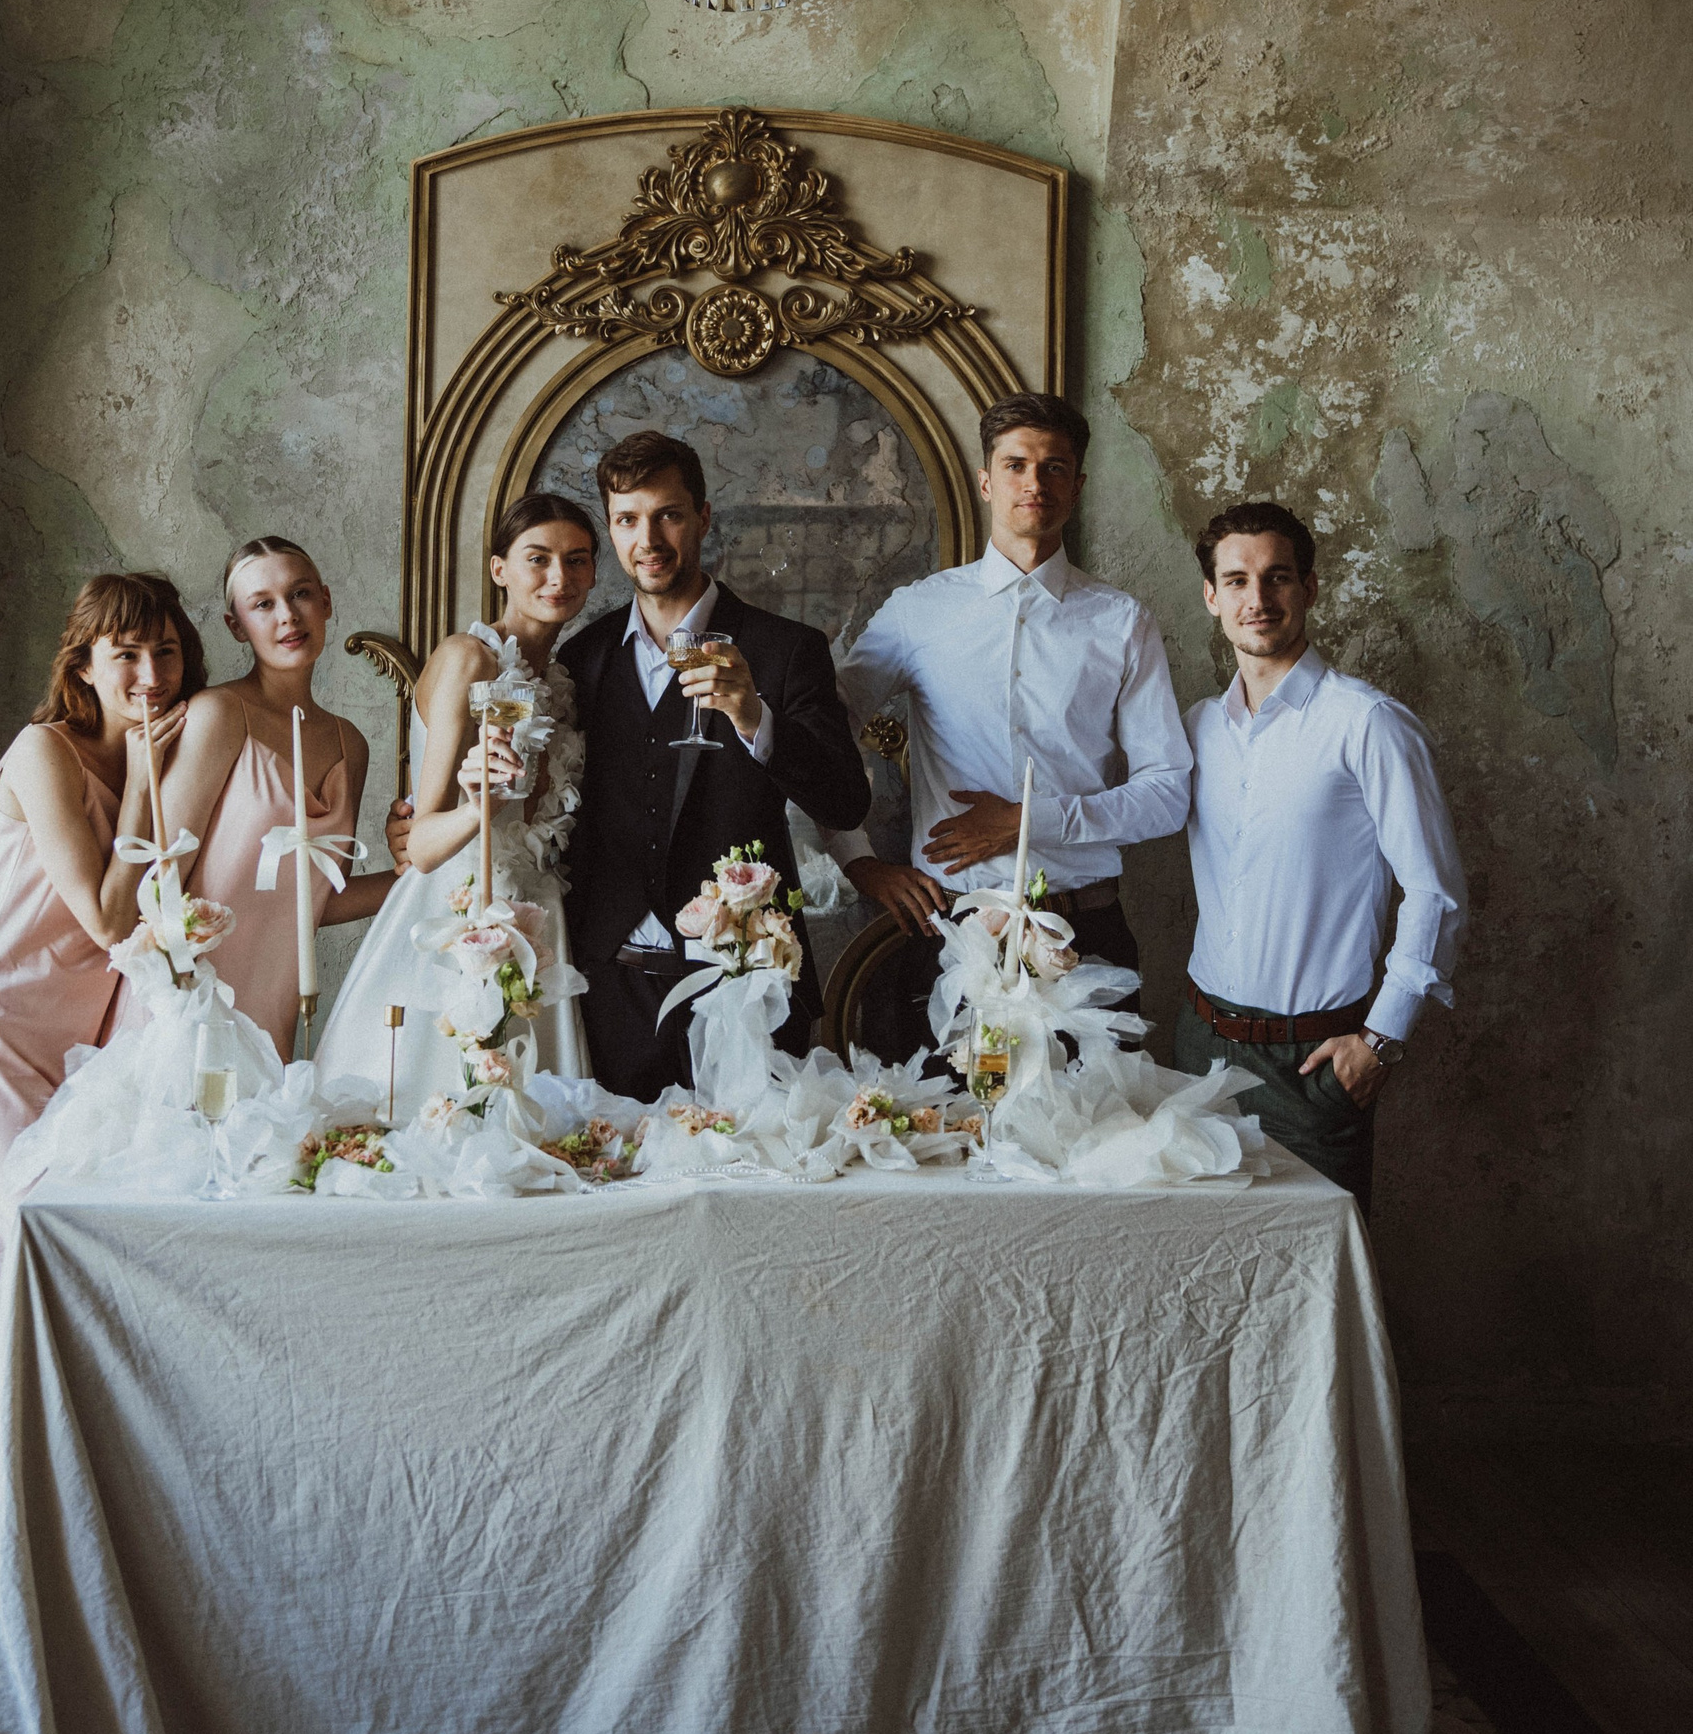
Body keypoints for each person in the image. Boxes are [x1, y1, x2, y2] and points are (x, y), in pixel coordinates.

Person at [0, 570, 205, 1503]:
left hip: (89, 1043)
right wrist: (145, 797)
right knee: (7, 1251)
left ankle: (59, 1507)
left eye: (166, 651)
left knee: (72, 1253)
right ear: (83, 663)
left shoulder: (165, 754)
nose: (151, 674)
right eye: (126, 653)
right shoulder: (42, 750)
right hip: (1, 1031)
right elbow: (106, 916)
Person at [825, 392, 1192, 1058]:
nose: (1035, 482)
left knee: (1099, 1125)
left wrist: (1028, 821)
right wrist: (862, 863)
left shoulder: (1122, 621)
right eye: (1016, 464)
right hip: (951, 935)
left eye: (1055, 468)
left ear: (1077, 487)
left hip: (1086, 935)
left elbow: (1168, 793)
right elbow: (821, 736)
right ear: (987, 481)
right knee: (945, 1122)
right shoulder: (919, 611)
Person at [559, 430, 871, 1102]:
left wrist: (756, 718)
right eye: (627, 519)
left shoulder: (787, 650)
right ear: (611, 529)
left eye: (668, 515)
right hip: (611, 988)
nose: (648, 539)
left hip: (747, 985)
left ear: (703, 517)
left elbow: (845, 802)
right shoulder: (582, 659)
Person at [1174, 498, 1464, 1215]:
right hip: (1199, 1052)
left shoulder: (1367, 724)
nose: (1257, 598)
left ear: (1308, 587)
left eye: (1277, 577)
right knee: (1201, 1267)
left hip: (1312, 1066)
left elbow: (1435, 893)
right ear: (1212, 596)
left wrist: (1380, 1041)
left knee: (1313, 1276)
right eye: (1236, 580)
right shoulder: (1196, 729)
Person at [315, 494, 598, 1104]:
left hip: (538, 918)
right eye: (538, 558)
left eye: (576, 560)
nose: (559, 576)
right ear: (500, 570)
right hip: (456, 917)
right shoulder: (467, 658)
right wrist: (476, 809)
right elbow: (420, 846)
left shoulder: (562, 682)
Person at [155, 537, 394, 1057]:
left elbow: (321, 899)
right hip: (190, 1002)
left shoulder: (349, 744)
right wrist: (179, 1004)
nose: (288, 615)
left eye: (300, 594)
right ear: (236, 626)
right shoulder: (218, 714)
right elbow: (157, 879)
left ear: (325, 601)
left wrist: (420, 871)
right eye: (263, 604)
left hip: (276, 1004)